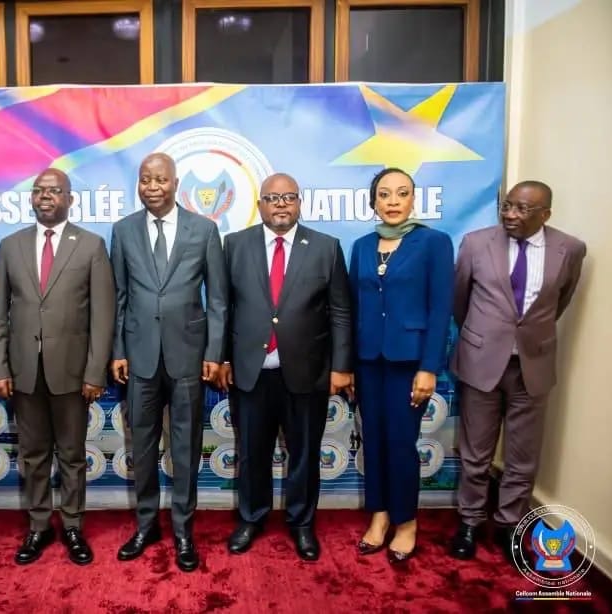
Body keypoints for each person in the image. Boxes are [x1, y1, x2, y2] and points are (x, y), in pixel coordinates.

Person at [219, 173, 354, 561]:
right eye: (272, 198)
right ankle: (251, 518)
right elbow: (223, 307)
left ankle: (302, 523)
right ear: (259, 204)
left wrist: (341, 366)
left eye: (288, 197)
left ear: (299, 203)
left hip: (307, 373)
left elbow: (340, 311)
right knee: (252, 453)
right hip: (251, 371)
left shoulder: (326, 247)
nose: (280, 204)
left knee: (305, 453)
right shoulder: (235, 244)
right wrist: (223, 357)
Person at [449, 180, 586, 561]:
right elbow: (459, 300)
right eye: (507, 205)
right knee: (475, 452)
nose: (510, 214)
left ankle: (510, 525)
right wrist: (484, 337)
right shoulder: (476, 243)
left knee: (523, 455)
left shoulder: (570, 249)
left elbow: (560, 301)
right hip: (481, 363)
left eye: (522, 209)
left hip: (532, 366)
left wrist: (526, 337)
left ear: (546, 214)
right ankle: (470, 521)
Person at [0, 168, 115, 566]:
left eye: (54, 190)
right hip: (24, 372)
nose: (45, 196)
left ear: (69, 199)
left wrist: (95, 372)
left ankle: (73, 525)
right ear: (31, 198)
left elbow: (103, 317)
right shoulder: (10, 246)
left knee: (73, 455)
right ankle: (39, 525)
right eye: (39, 190)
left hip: (73, 375)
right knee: (34, 454)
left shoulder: (91, 246)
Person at [110, 152, 227, 572]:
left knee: (185, 446)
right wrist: (118, 350)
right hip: (139, 357)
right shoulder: (123, 230)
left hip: (188, 357)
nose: (153, 187)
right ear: (138, 184)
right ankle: (146, 525)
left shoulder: (204, 229)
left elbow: (217, 299)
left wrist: (214, 352)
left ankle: (183, 530)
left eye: (160, 179)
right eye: (146, 179)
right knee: (141, 446)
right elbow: (118, 296)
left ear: (176, 184)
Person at [348, 168, 454, 564]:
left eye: (402, 193)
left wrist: (429, 367)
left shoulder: (434, 243)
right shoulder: (361, 246)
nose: (393, 201)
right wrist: (348, 364)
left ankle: (406, 522)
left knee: (400, 442)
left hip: (409, 363)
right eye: (384, 194)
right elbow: (353, 308)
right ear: (373, 201)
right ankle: (379, 516)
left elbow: (440, 309)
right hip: (368, 362)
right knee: (374, 441)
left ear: (413, 199)